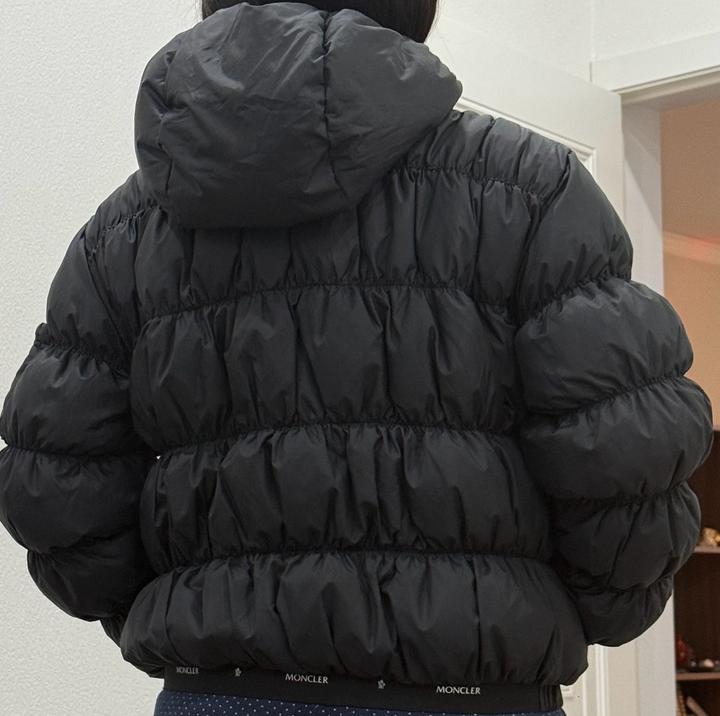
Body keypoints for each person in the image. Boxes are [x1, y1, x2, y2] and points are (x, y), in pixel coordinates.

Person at [0, 0, 713, 715]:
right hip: (468, 696)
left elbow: (54, 483)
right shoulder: (527, 187)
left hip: (220, 695)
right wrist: (550, 611)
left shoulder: (126, 233)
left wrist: (188, 610)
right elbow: (629, 454)